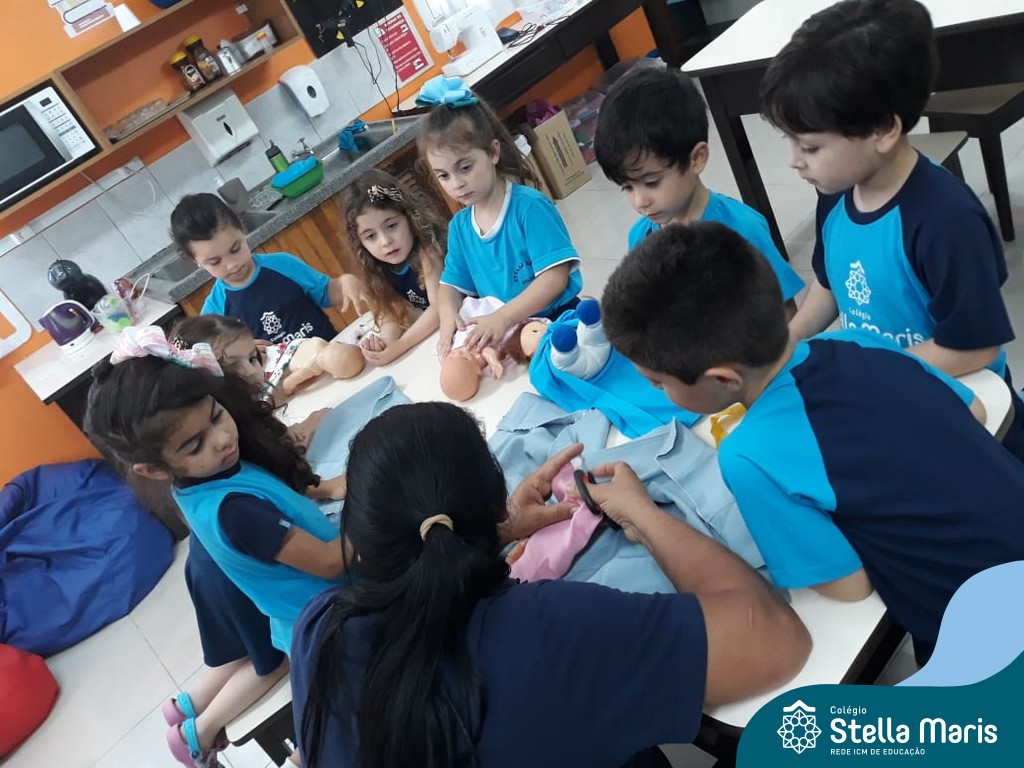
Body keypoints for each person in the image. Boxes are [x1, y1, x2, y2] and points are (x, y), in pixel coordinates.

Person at [291, 402, 810, 768]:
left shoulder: (322, 629)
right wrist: (644, 515)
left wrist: (486, 533)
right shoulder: (545, 631)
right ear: (492, 499)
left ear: (361, 540)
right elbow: (775, 640)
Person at [600, 222, 1024, 661]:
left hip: (984, 635)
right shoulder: (857, 340)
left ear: (723, 379)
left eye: (658, 382)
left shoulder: (748, 456)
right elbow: (974, 411)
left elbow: (850, 586)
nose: (656, 391)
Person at [758, 0, 1024, 459]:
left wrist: (870, 368)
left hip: (965, 405)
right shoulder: (836, 191)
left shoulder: (946, 220)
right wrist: (788, 342)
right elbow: (831, 284)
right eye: (790, 142)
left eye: (810, 146)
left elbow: (976, 349)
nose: (793, 161)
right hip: (890, 391)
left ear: (883, 129)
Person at [85, 326, 350, 657]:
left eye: (216, 416)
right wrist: (379, 514)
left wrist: (326, 488)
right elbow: (329, 562)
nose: (222, 439)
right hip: (337, 626)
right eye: (195, 445)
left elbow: (276, 495)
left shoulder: (206, 475)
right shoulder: (235, 510)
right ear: (154, 470)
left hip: (330, 604)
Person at [594, 63, 803, 317]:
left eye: (652, 183)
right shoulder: (641, 238)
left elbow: (784, 311)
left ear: (696, 158)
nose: (640, 201)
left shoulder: (742, 230)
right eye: (627, 187)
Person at [417, 78, 583, 357]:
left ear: (493, 152)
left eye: (465, 167)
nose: (456, 184)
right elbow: (450, 286)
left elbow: (555, 278)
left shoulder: (529, 208)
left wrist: (503, 317)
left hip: (557, 321)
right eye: (443, 175)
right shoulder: (460, 227)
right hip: (507, 332)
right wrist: (448, 322)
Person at [170, 193, 365, 346]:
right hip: (282, 383)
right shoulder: (214, 313)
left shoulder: (283, 264)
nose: (232, 264)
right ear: (195, 261)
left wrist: (345, 283)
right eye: (215, 262)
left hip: (333, 351)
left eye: (235, 249)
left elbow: (327, 293)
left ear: (242, 229)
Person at [171, 314, 359, 434]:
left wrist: (318, 363)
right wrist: (306, 428)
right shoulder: (222, 421)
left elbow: (345, 360)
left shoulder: (272, 362)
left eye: (253, 358)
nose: (252, 372)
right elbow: (279, 452)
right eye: (233, 366)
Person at [339, 169, 445, 365]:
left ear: (410, 217)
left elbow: (440, 308)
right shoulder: (380, 267)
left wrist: (399, 346)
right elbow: (391, 312)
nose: (385, 241)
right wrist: (385, 342)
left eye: (391, 226)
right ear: (360, 243)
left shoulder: (428, 252)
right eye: (371, 236)